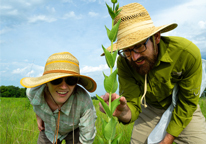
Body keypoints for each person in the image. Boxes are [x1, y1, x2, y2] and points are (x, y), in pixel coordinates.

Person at [99, 3, 206, 144]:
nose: (134, 57)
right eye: (127, 50)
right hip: (150, 109)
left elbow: (187, 103)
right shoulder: (124, 62)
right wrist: (123, 112)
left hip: (182, 106)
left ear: (156, 37)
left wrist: (166, 140)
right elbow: (133, 104)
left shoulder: (186, 53)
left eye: (139, 46)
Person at [20, 52, 97, 144]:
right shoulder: (33, 93)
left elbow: (87, 138)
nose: (63, 87)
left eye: (71, 80)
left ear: (76, 82)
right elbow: (35, 103)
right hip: (49, 130)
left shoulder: (84, 101)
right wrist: (39, 115)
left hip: (75, 130)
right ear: (46, 82)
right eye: (56, 80)